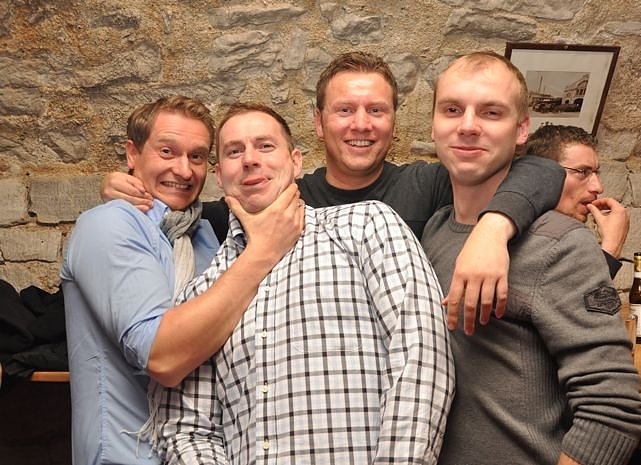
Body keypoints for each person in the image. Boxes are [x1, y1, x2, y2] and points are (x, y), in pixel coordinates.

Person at [102, 51, 566, 334]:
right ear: (320, 124)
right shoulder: (280, 200)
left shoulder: (425, 185)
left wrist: (492, 228)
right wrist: (128, 186)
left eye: (376, 110)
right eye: (345, 110)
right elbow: (185, 205)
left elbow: (542, 171)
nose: (361, 124)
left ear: (394, 123)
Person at [151, 103, 454, 464]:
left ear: (295, 161)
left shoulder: (365, 226)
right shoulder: (200, 293)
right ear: (219, 175)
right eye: (234, 151)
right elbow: (185, 428)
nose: (250, 160)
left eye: (265, 146)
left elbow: (421, 354)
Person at [421, 52, 641, 465]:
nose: (467, 125)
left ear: (521, 129)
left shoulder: (560, 244)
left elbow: (612, 410)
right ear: (434, 124)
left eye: (491, 112)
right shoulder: (434, 229)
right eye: (452, 110)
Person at [61, 96, 304, 465]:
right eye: (167, 151)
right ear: (132, 154)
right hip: (131, 455)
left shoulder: (205, 234)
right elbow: (163, 357)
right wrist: (263, 252)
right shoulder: (108, 224)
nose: (184, 170)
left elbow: (266, 187)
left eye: (197, 156)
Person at [523, 124, 630, 278]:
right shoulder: (547, 242)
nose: (598, 187)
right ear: (546, 174)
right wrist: (612, 246)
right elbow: (588, 293)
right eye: (583, 172)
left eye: (595, 172)